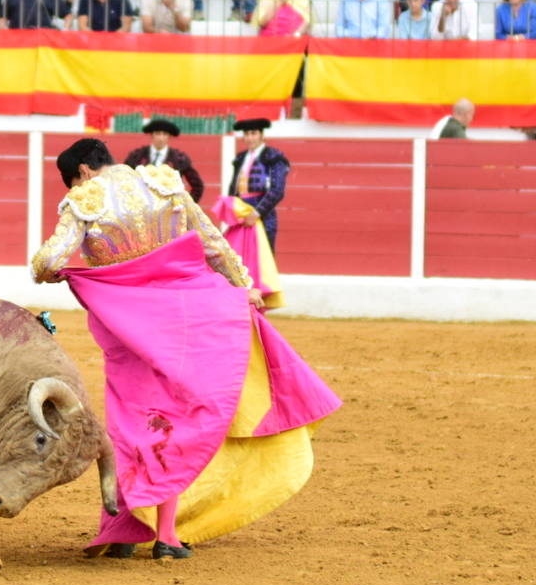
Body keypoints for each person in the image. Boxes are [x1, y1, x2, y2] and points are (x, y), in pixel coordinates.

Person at [31, 139, 340, 563]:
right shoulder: (166, 183)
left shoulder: (84, 200)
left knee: (132, 423)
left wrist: (60, 274)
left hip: (129, 328)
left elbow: (47, 261)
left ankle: (124, 531)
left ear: (83, 171)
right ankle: (168, 536)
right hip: (186, 318)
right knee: (175, 421)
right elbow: (213, 243)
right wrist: (243, 288)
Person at [227, 118, 289, 250]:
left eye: (253, 133)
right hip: (241, 213)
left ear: (262, 135)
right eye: (247, 134)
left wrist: (257, 213)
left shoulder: (273, 156)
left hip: (263, 214)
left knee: (263, 256)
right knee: (238, 256)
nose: (250, 138)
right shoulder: (240, 157)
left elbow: (277, 190)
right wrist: (233, 209)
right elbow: (233, 187)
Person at [123, 119, 205, 201]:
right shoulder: (137, 156)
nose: (161, 138)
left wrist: (185, 205)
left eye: (164, 134)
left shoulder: (179, 158)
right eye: (157, 134)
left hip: (170, 208)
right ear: (152, 135)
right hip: (142, 206)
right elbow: (122, 179)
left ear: (169, 137)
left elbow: (197, 186)